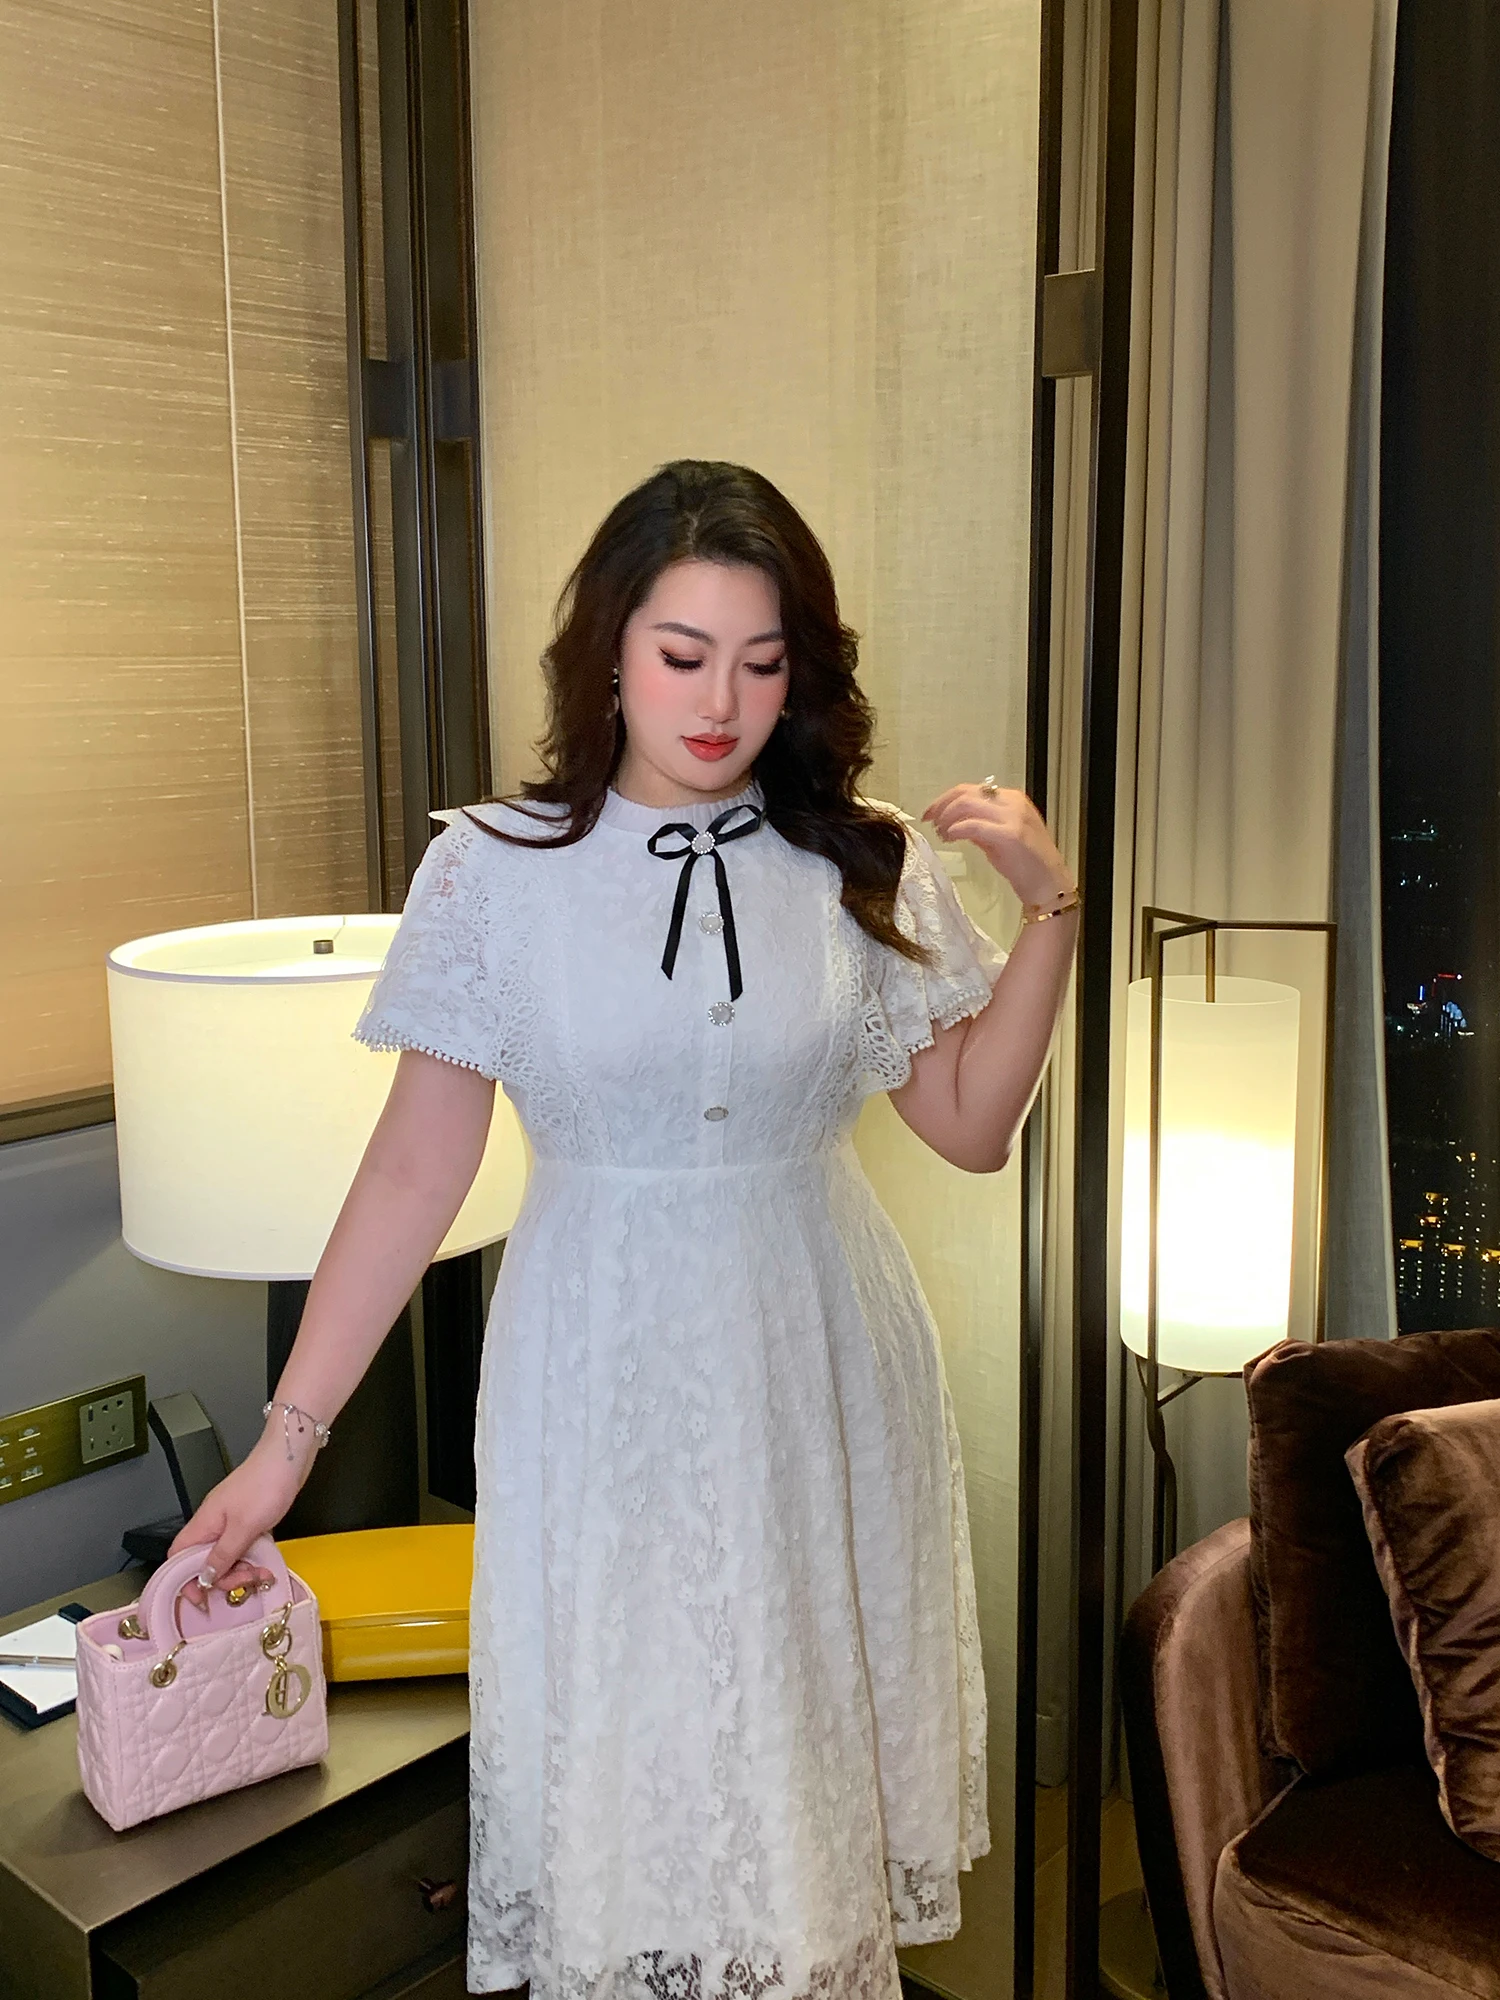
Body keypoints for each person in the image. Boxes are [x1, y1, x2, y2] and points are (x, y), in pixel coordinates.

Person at [171, 460, 1078, 2000]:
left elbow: (972, 1127)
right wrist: (285, 1446)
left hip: (815, 1360)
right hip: (599, 1372)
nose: (720, 701)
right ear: (608, 651)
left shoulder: (865, 858)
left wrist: (1050, 911)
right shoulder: (491, 874)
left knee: (795, 1766)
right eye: (682, 653)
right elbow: (412, 1173)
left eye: (761, 661)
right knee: (635, 1769)